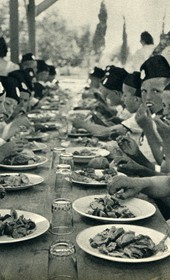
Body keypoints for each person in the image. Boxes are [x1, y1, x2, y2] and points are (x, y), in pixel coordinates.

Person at [135, 55, 170, 164]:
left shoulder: (165, 123)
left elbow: (165, 169)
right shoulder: (149, 117)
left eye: (156, 91)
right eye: (144, 91)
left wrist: (147, 129)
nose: (148, 97)